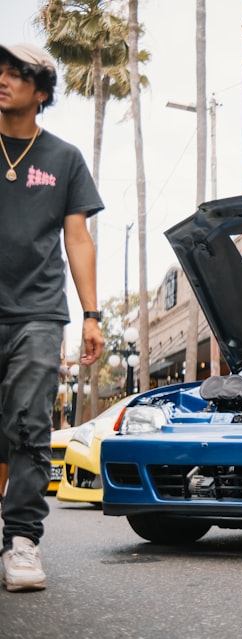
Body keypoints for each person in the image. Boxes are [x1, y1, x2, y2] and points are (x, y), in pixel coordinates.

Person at [0, 43, 104, 592]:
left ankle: (21, 543)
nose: (2, 79)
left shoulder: (63, 158)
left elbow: (78, 238)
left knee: (29, 425)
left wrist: (91, 313)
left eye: (16, 73)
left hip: (39, 311)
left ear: (41, 91)